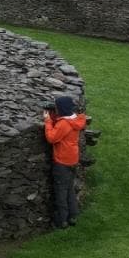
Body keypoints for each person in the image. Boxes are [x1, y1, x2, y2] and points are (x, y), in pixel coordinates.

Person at [43, 95, 87, 229]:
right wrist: (54, 118)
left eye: (56, 107)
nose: (55, 109)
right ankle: (73, 216)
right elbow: (64, 127)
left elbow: (51, 138)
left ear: (61, 109)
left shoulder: (64, 124)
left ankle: (62, 220)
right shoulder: (75, 120)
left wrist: (47, 122)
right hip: (72, 158)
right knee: (69, 189)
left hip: (62, 161)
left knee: (61, 190)